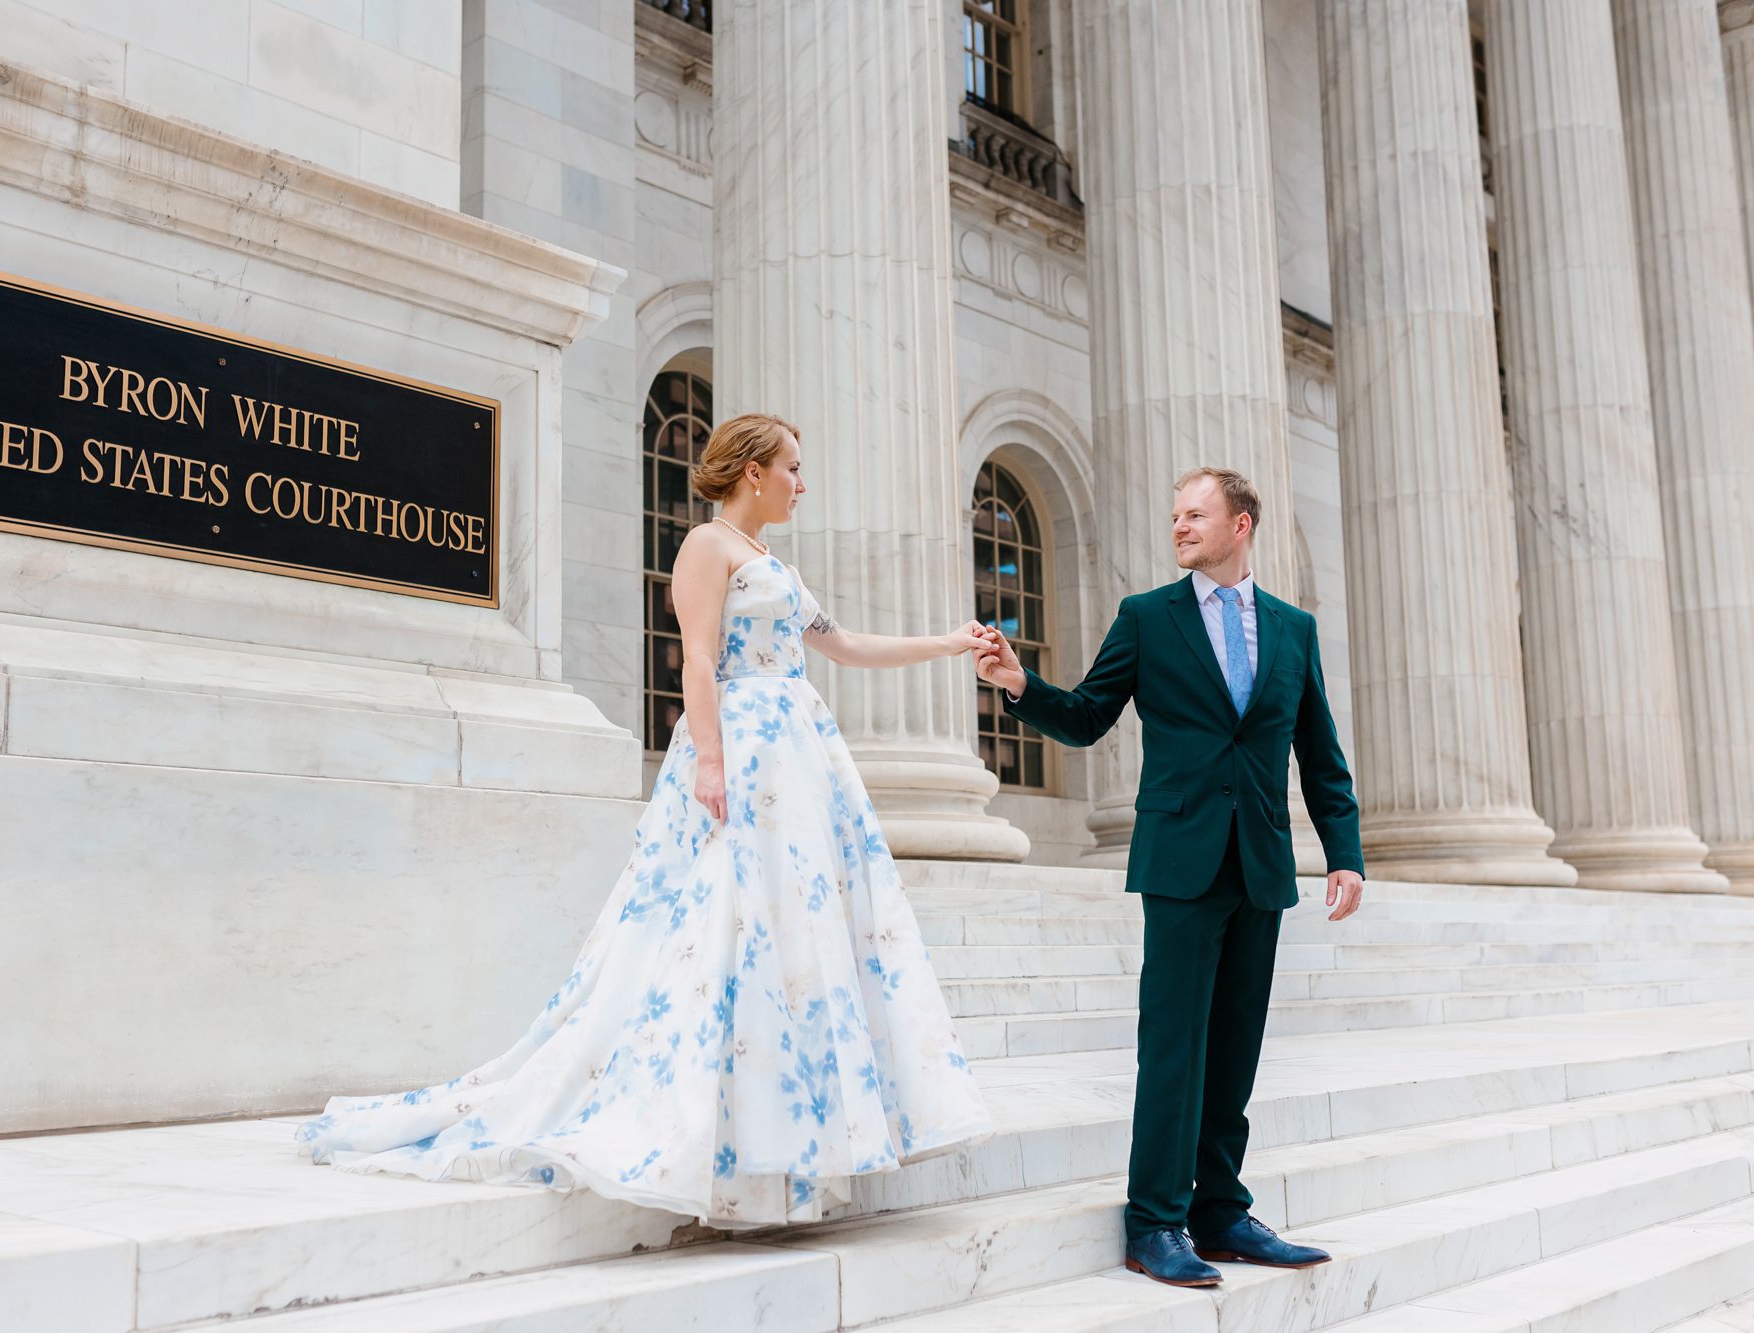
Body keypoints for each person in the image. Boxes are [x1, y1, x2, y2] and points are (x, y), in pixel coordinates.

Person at [297, 412, 993, 1227]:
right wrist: (708, 758)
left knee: (786, 938)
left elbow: (846, 647)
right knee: (721, 927)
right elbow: (698, 655)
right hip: (742, 753)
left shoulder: (775, 562)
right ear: (751, 472)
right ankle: (707, 1140)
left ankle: (775, 1143)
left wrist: (950, 642)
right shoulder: (708, 546)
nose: (802, 483)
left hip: (798, 762)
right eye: (793, 468)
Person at [974, 465, 1365, 1288]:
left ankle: (1221, 1212)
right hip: (1181, 861)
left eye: (1196, 514)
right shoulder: (1147, 619)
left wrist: (1345, 851)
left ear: (1242, 525)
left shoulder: (1293, 630)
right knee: (1174, 1049)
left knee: (1235, 1052)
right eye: (1176, 514)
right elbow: (1086, 715)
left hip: (1259, 861)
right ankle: (1154, 1220)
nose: (1180, 526)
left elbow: (1319, 753)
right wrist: (1019, 684)